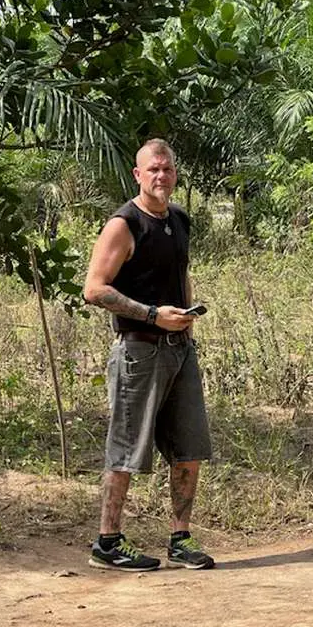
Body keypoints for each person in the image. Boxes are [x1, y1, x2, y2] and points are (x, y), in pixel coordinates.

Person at [83, 138, 214, 572]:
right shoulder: (124, 224)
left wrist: (187, 317)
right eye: (153, 169)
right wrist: (153, 315)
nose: (161, 176)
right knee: (126, 450)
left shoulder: (178, 219)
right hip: (139, 351)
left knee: (188, 448)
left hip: (180, 350)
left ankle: (180, 539)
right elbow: (94, 289)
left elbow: (181, 273)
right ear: (138, 175)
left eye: (167, 168)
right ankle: (108, 542)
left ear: (175, 173)